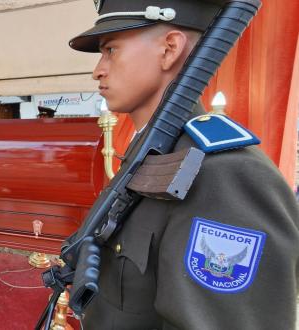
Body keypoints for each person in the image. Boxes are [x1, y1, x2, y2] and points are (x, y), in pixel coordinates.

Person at [65, 1, 299, 329]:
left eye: (112, 50)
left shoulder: (224, 175)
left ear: (169, 49)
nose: (98, 70)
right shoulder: (153, 156)